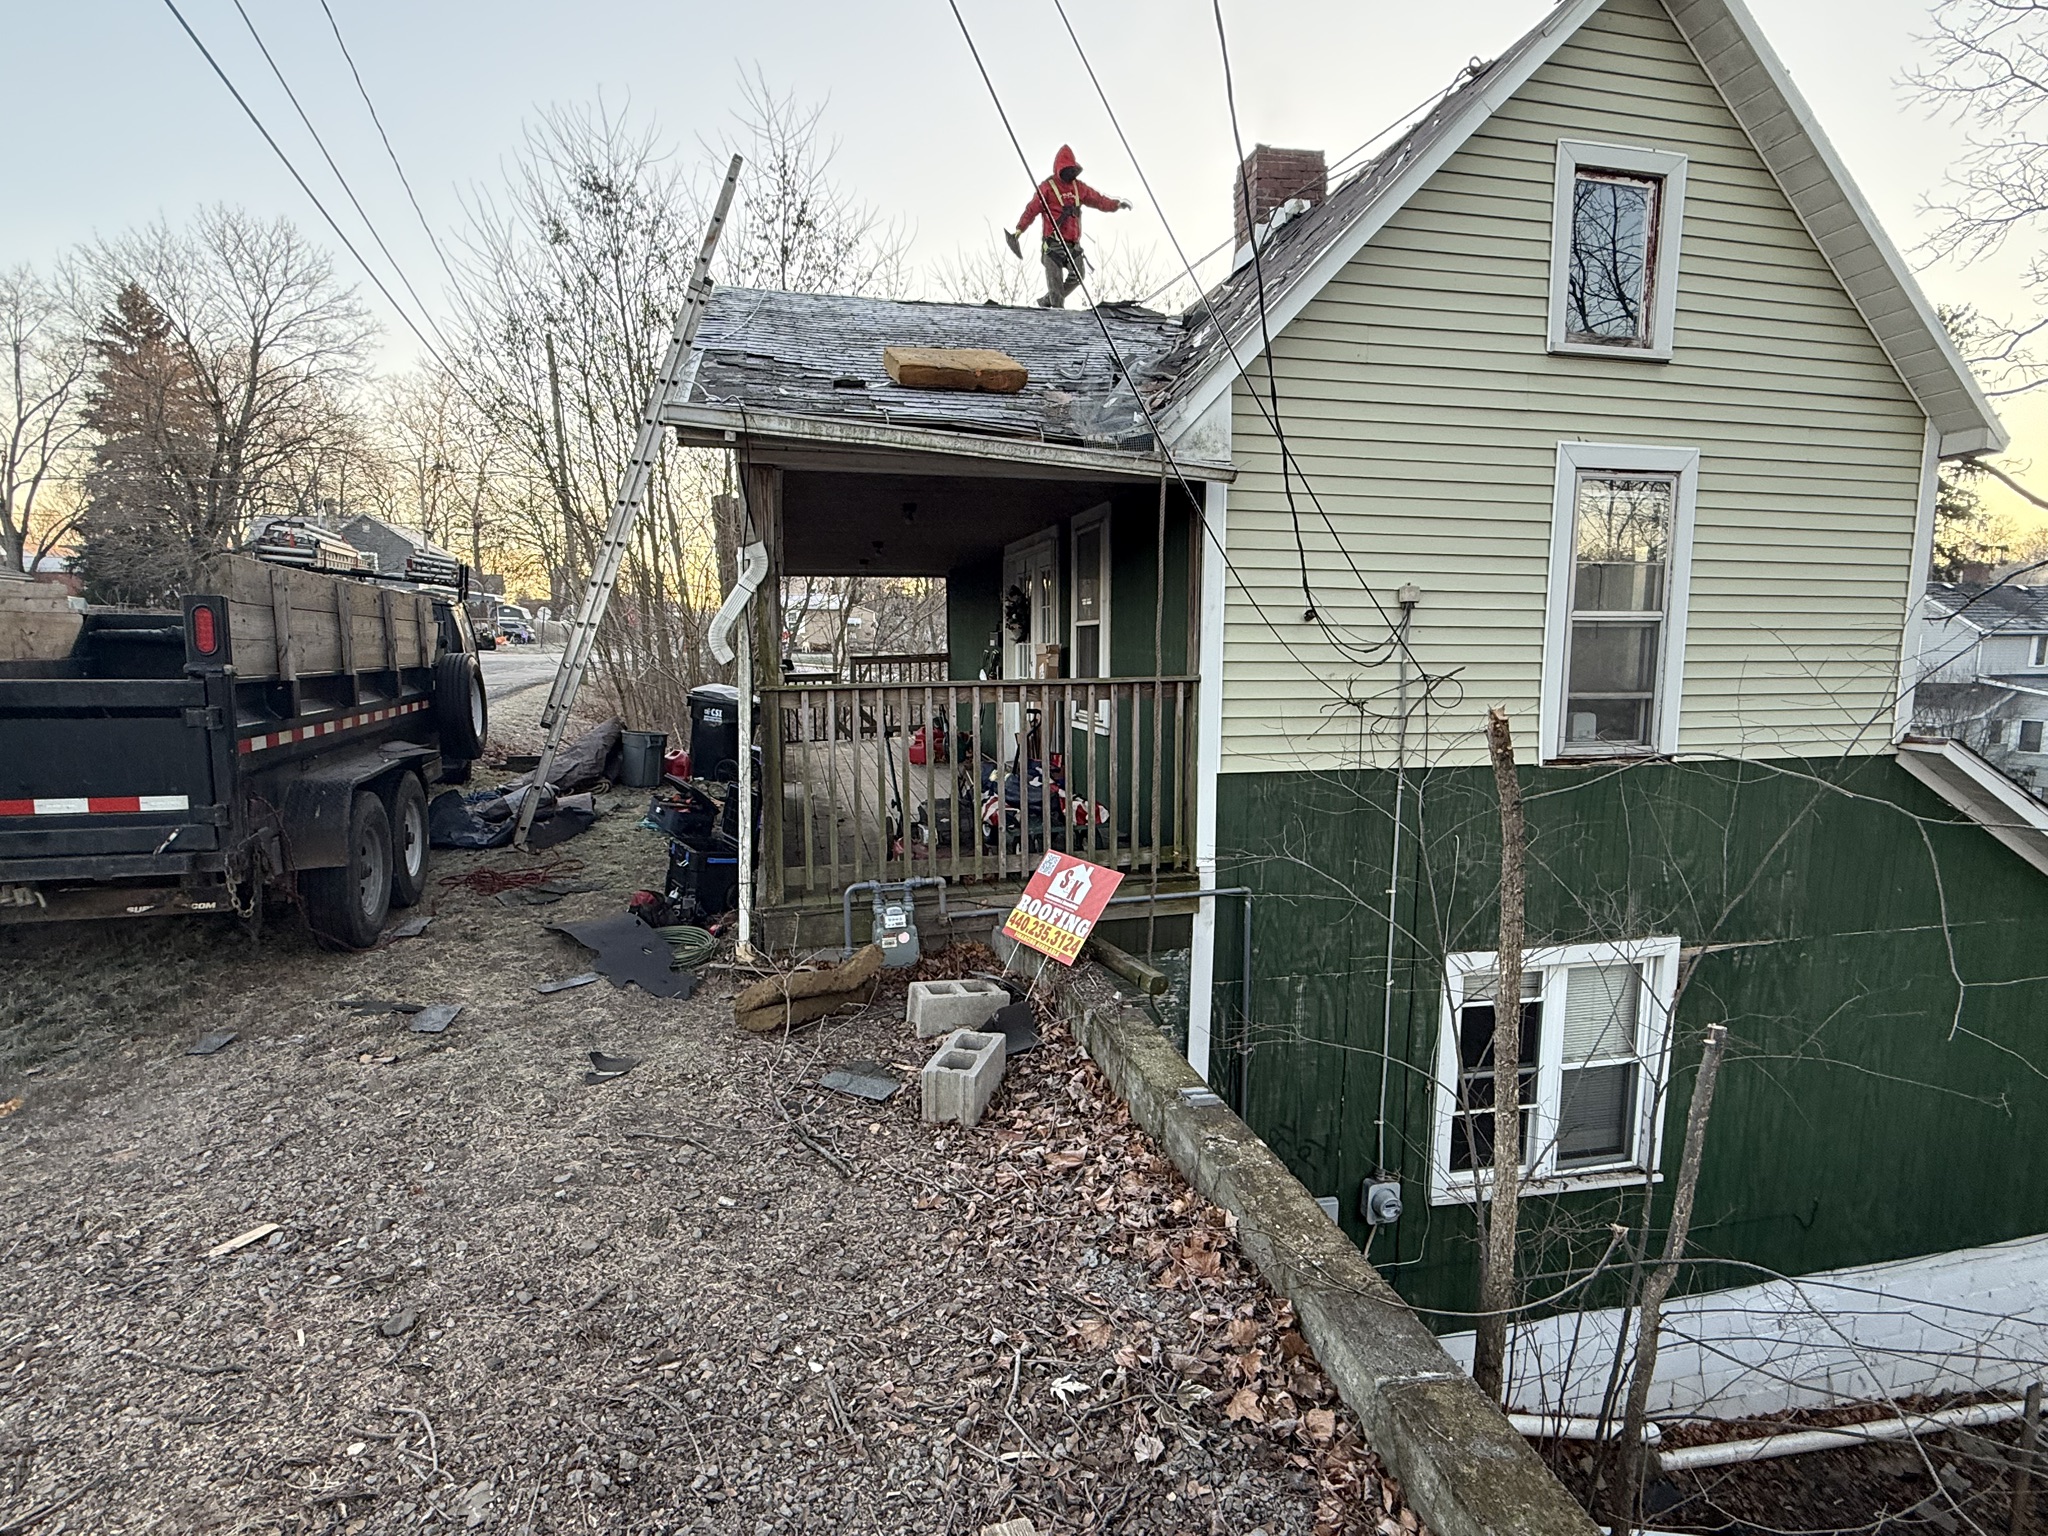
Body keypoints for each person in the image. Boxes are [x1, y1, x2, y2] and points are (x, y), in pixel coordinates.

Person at [1006, 145, 1130, 308]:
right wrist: (1019, 229)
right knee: (1057, 296)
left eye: (1072, 170)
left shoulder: (1079, 188)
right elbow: (1032, 209)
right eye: (1067, 170)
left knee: (1078, 275)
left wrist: (1116, 204)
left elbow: (1098, 200)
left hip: (1073, 246)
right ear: (1060, 169)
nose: (1070, 174)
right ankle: (1054, 309)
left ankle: (1048, 299)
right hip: (1053, 246)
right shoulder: (1047, 188)